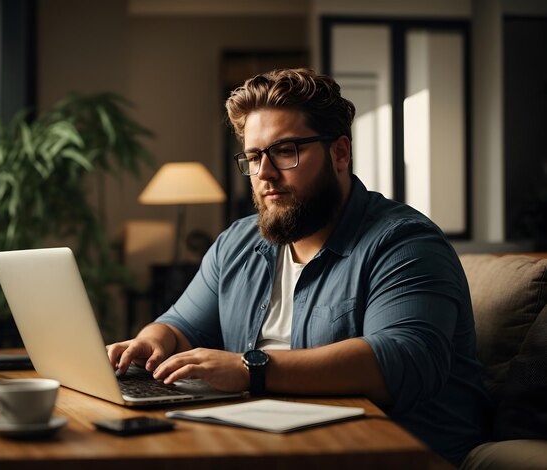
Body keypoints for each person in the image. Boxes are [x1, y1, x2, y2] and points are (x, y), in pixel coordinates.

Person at [107, 68, 489, 466]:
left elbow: (403, 360)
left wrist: (249, 368)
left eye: (286, 151)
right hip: (271, 444)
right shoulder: (238, 242)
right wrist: (151, 341)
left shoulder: (404, 243)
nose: (265, 174)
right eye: (254, 157)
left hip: (395, 452)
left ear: (339, 153)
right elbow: (181, 325)